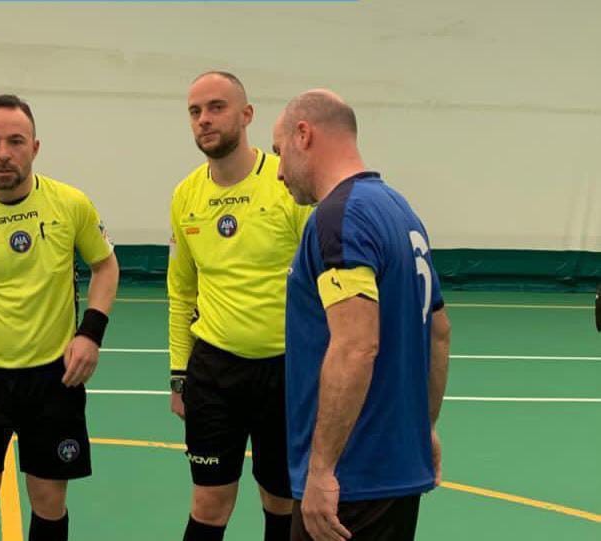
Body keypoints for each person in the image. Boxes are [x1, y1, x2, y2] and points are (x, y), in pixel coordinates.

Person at [0, 94, 120, 541]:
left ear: (35, 147)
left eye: (15, 141)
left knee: (50, 502)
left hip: (55, 380)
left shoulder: (70, 205)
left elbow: (105, 266)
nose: (3, 153)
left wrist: (90, 334)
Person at [273, 89, 452, 541]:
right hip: (397, 472)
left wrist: (321, 471)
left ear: (303, 135)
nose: (278, 171)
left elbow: (355, 345)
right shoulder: (400, 210)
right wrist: (424, 428)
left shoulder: (339, 218)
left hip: (352, 483)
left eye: (278, 151)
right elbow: (439, 331)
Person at [168, 71, 313, 541]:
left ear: (247, 115)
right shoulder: (186, 195)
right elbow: (181, 292)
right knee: (208, 504)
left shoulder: (287, 184)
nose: (204, 120)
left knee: (280, 499)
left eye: (216, 107)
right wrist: (178, 374)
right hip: (214, 372)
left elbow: (319, 282)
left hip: (285, 371)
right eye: (195, 111)